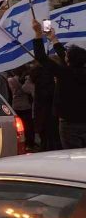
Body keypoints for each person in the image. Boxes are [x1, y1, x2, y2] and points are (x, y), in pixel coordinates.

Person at [32, 20, 86, 148]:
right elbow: (67, 57)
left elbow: (41, 56)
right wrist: (53, 39)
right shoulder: (72, 71)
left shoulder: (64, 73)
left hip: (69, 124)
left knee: (72, 157)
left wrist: (38, 33)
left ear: (68, 60)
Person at [7, 69, 35, 150]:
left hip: (15, 104)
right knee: (28, 125)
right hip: (26, 105)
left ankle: (22, 142)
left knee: (19, 126)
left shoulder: (10, 80)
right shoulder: (26, 80)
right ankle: (29, 143)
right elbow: (25, 89)